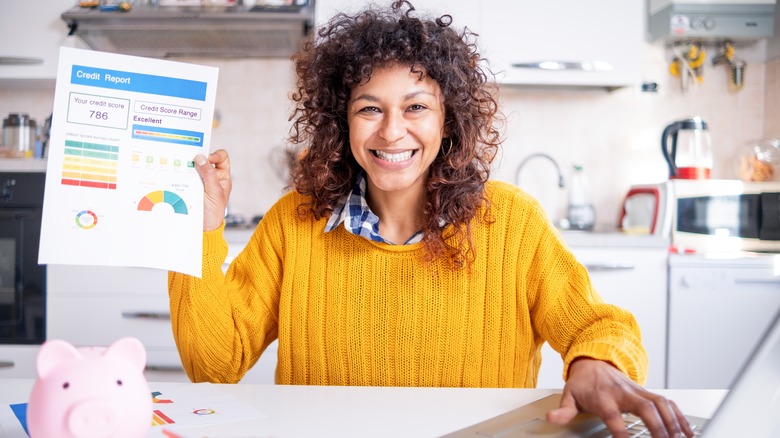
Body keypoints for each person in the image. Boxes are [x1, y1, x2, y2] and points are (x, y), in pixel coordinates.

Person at [169, 1, 694, 436]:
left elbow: (601, 325)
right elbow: (215, 365)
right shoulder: (294, 223)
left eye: (416, 107)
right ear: (341, 122)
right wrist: (201, 230)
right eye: (369, 109)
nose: (392, 132)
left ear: (448, 120)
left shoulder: (511, 223)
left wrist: (595, 365)